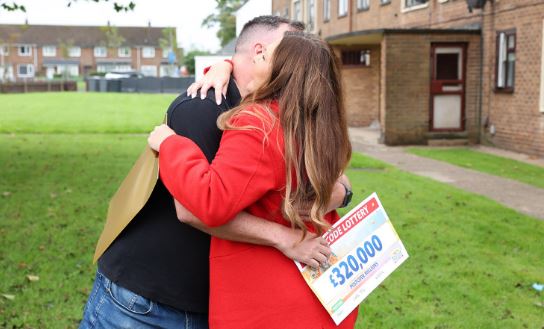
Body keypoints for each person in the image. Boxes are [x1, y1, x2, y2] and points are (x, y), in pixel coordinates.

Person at [79, 16, 353, 329]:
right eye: (268, 51)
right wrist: (285, 234)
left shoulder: (284, 119)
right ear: (260, 52)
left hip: (216, 298)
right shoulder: (205, 107)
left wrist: (339, 193)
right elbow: (192, 210)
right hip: (150, 302)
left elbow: (332, 182)